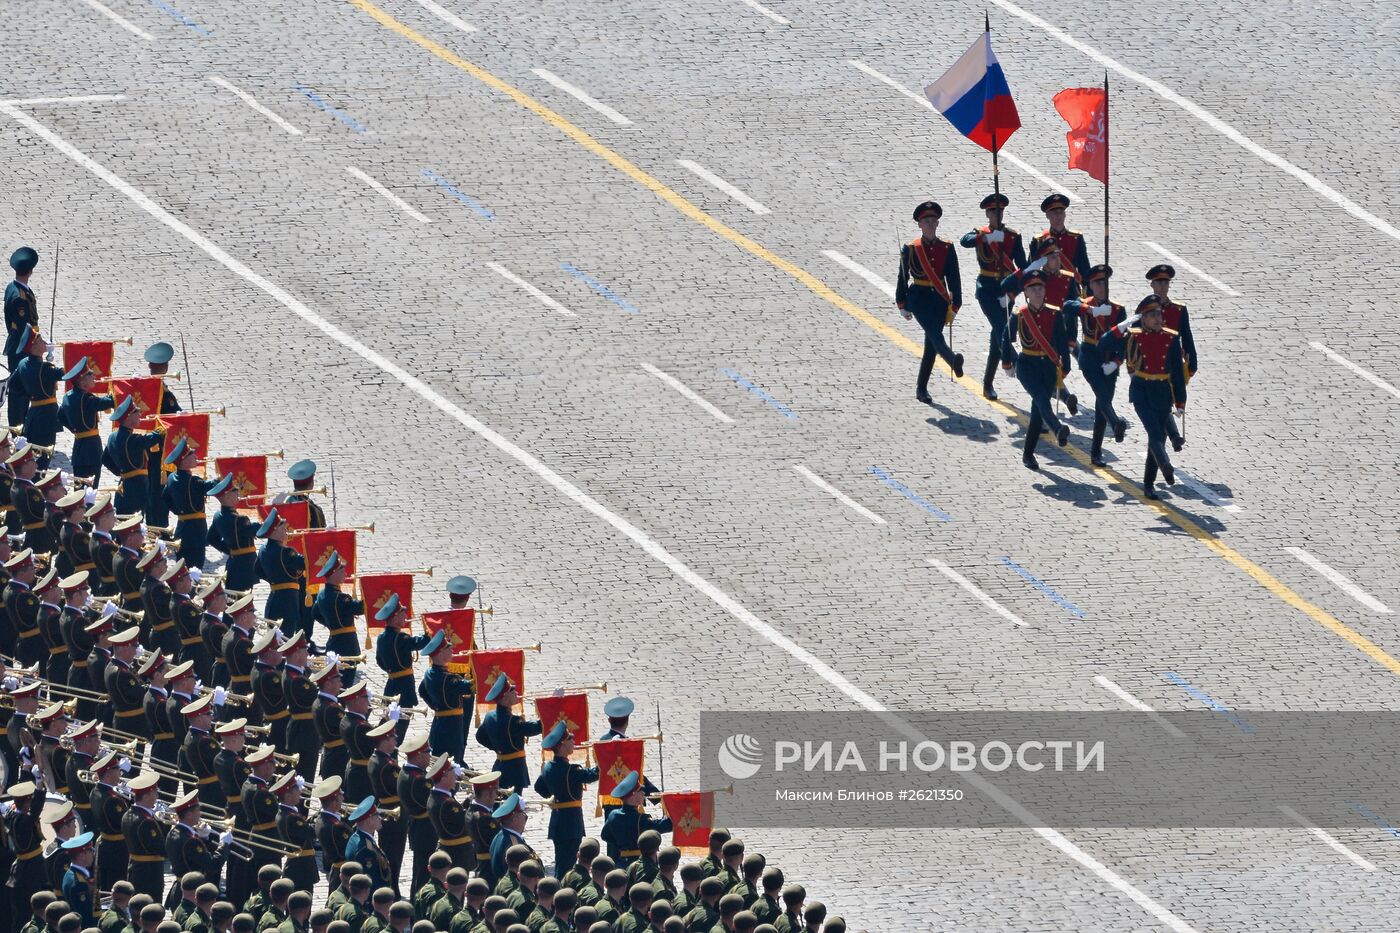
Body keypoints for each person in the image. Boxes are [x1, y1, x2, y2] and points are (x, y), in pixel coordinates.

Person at [1104, 295, 1187, 499]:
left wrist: (1180, 401)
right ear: (1143, 318)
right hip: (1141, 392)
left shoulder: (1171, 338)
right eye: (1151, 315)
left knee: (1158, 435)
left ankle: (1148, 484)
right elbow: (1104, 344)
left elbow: (1177, 372)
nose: (1157, 318)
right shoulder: (1133, 336)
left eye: (1159, 313)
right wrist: (1123, 325)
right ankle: (1165, 465)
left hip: (1162, 392)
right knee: (1154, 432)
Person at [999, 269, 1073, 471]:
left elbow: (1061, 341)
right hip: (1027, 366)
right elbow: (1006, 337)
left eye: (1040, 287)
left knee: (1037, 411)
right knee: (1041, 399)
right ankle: (1058, 429)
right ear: (1026, 293)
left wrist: (1065, 366)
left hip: (1048, 367)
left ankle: (1028, 454)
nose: (1038, 291)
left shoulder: (1054, 313)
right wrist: (1007, 362)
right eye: (1033, 288)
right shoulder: (1020, 315)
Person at [959, 193, 1027, 399]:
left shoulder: (1013, 236)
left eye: (1000, 211)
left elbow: (1023, 270)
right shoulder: (981, 234)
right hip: (987, 290)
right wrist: (986, 238)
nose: (997, 215)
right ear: (987, 214)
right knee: (1002, 330)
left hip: (1005, 291)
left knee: (996, 337)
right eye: (993, 211)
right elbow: (964, 241)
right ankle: (1021, 367)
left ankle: (987, 384)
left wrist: (1013, 293)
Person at [895, 201, 963, 404]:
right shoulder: (911, 248)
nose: (930, 224)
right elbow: (902, 277)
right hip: (918, 298)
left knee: (931, 346)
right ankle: (952, 360)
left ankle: (921, 388)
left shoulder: (947, 247)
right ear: (919, 224)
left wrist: (955, 304)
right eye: (926, 221)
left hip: (939, 300)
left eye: (933, 220)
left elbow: (954, 278)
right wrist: (902, 303)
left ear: (937, 223)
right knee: (935, 335)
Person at [1063, 264, 1128, 465]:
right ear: (1090, 285)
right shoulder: (1086, 305)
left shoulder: (1117, 309)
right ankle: (1116, 424)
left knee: (1102, 404)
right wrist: (1092, 311)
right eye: (1098, 283)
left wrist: (1117, 362)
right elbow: (1067, 306)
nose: (1102, 286)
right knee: (1101, 395)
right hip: (1090, 356)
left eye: (1105, 282)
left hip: (1109, 360)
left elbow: (1125, 342)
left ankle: (1095, 452)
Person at [534, 721, 596, 880]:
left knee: (562, 862)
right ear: (562, 745)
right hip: (571, 822)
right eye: (570, 739)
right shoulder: (570, 770)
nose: (574, 741)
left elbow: (539, 787)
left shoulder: (549, 767)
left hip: (558, 820)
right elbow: (593, 775)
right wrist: (604, 753)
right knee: (567, 866)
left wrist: (555, 796)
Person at [1146, 264, 1197, 452]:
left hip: (1173, 367)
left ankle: (1164, 448)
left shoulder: (1179, 310)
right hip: (1152, 368)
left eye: (1165, 283)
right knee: (1163, 406)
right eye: (1159, 283)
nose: (1162, 287)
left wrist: (1192, 366)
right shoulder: (1145, 309)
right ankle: (1174, 438)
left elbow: (1187, 338)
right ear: (1152, 285)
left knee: (1165, 405)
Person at [474, 674, 542, 794]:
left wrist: (497, 747)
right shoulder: (513, 721)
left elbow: (480, 736)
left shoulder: (490, 716)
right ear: (505, 696)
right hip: (514, 769)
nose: (516, 692)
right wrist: (552, 706)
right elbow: (536, 728)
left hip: (500, 764)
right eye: (512, 690)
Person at [372, 593, 425, 744]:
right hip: (404, 686)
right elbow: (420, 643)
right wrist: (430, 629)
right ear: (395, 618)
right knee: (399, 728)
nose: (406, 616)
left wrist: (392, 669)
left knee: (390, 720)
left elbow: (379, 660)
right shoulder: (400, 638)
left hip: (392, 683)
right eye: (403, 613)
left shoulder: (382, 637)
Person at [163, 441, 223, 570]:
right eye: (191, 455)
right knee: (195, 569)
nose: (196, 457)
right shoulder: (192, 481)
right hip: (195, 531)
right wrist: (222, 474)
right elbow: (212, 487)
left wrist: (180, 511)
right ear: (184, 461)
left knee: (183, 569)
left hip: (181, 528)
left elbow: (165, 498)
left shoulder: (172, 478)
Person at [141, 342, 182, 528]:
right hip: (160, 452)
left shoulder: (143, 389)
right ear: (165, 367)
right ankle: (158, 528)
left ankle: (151, 525)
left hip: (143, 448)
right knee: (158, 492)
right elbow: (175, 419)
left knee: (149, 490)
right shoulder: (165, 395)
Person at [59, 357, 115, 487]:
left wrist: (74, 429)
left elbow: (60, 416)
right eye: (89, 374)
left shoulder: (67, 396)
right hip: (91, 450)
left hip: (79, 449)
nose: (93, 376)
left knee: (79, 490)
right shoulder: (87, 398)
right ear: (81, 381)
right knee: (90, 491)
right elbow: (109, 402)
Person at [101, 397, 161, 518]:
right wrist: (162, 427)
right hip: (136, 489)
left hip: (124, 485)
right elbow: (153, 438)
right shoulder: (131, 439)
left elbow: (105, 459)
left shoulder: (113, 436)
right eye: (136, 412)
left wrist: (121, 471)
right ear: (128, 417)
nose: (140, 414)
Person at [600, 772, 671, 870]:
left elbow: (605, 835)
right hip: (641, 866)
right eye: (640, 791)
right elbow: (667, 825)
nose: (643, 792)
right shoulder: (640, 819)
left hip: (621, 862)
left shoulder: (613, 815)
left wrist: (622, 845)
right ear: (633, 798)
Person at [418, 629, 470, 763]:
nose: (452, 648)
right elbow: (470, 688)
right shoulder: (447, 679)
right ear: (440, 654)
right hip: (451, 728)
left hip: (439, 723)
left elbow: (422, 690)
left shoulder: (430, 672)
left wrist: (436, 705)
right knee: (451, 764)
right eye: (448, 647)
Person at [254, 509, 304, 637]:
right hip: (287, 604)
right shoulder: (285, 552)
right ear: (275, 531)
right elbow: (305, 563)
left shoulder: (263, 549)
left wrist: (275, 578)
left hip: (274, 600)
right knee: (285, 642)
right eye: (284, 529)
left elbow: (257, 570)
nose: (287, 532)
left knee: (275, 640)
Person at [5, 247, 40, 426]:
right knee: (20, 389)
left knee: (21, 388)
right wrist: (38, 343)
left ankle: (20, 424)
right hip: (22, 347)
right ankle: (18, 426)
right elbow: (24, 328)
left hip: (19, 344)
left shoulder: (13, 287)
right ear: (31, 271)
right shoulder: (19, 297)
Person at [208, 476, 258, 592]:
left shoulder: (218, 516)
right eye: (235, 491)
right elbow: (259, 530)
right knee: (242, 604)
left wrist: (230, 550)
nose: (238, 494)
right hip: (245, 565)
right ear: (227, 496)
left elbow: (211, 538)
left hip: (233, 562)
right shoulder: (239, 520)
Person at [425, 754, 473, 872]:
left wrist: (469, 801)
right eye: (453, 771)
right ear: (445, 776)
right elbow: (464, 821)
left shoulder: (437, 796)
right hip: (458, 853)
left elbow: (455, 815)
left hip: (451, 849)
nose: (456, 776)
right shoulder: (446, 803)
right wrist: (478, 805)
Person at [343, 797, 392, 894]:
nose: (380, 818)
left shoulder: (356, 837)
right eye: (377, 815)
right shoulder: (366, 850)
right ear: (369, 820)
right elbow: (370, 883)